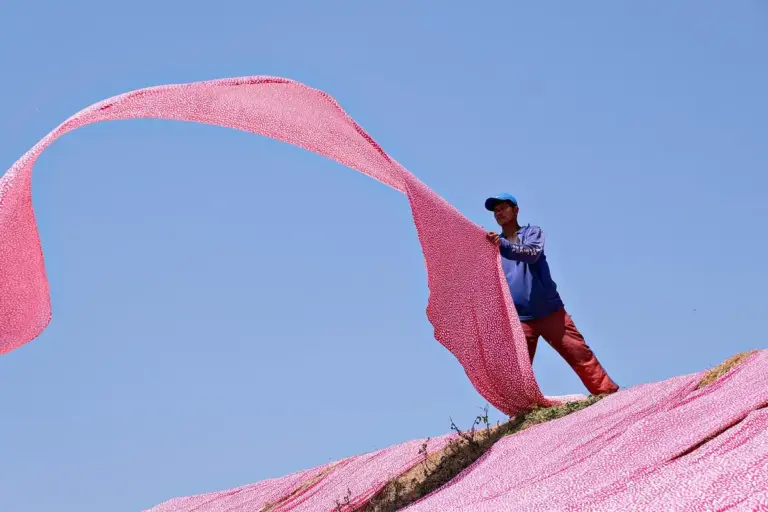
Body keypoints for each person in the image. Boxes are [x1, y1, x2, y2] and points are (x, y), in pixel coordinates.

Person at [484, 193, 619, 396]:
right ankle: (521, 412)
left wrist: (502, 245)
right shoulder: (493, 246)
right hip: (519, 318)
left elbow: (531, 253)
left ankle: (607, 394)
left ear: (516, 210)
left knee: (579, 353)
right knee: (517, 369)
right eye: (495, 211)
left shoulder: (532, 233)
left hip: (550, 311)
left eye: (503, 208)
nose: (499, 213)